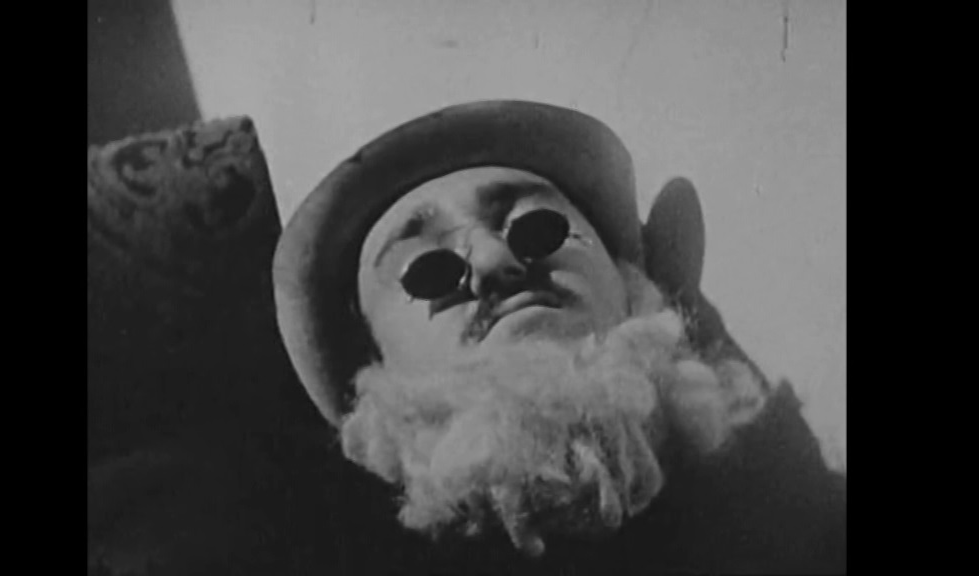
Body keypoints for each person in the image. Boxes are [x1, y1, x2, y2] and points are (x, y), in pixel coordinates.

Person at [273, 100, 846, 574]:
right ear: (376, 368)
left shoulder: (802, 519)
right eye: (428, 270)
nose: (495, 262)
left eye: (537, 226)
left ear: (629, 281)